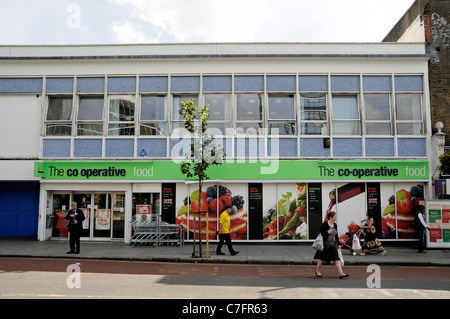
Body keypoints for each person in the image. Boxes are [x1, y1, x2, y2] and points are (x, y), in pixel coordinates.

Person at [314, 211, 349, 279]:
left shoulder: (335, 225)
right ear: (330, 217)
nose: (335, 218)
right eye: (334, 216)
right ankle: (317, 271)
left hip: (332, 244)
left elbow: (336, 235)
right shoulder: (325, 224)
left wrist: (338, 244)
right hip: (325, 244)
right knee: (321, 258)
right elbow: (320, 232)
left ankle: (341, 273)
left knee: (336, 259)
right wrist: (326, 232)